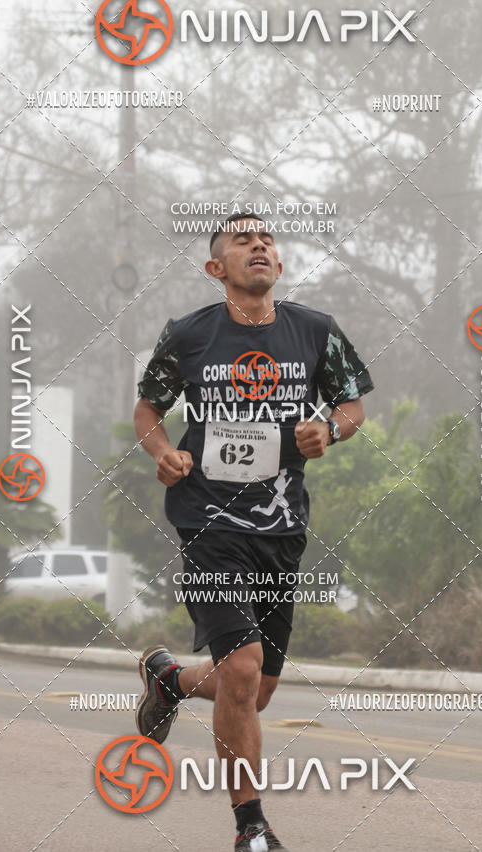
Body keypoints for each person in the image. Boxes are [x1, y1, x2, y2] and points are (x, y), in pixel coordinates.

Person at [133, 212, 373, 851]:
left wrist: (332, 429)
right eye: (241, 240)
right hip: (206, 521)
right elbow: (148, 408)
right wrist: (162, 451)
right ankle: (253, 830)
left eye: (266, 239)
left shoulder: (316, 332)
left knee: (257, 689)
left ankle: (170, 679)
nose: (258, 244)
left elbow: (352, 406)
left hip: (281, 527)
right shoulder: (188, 335)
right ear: (217, 269)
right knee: (240, 670)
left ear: (280, 264)